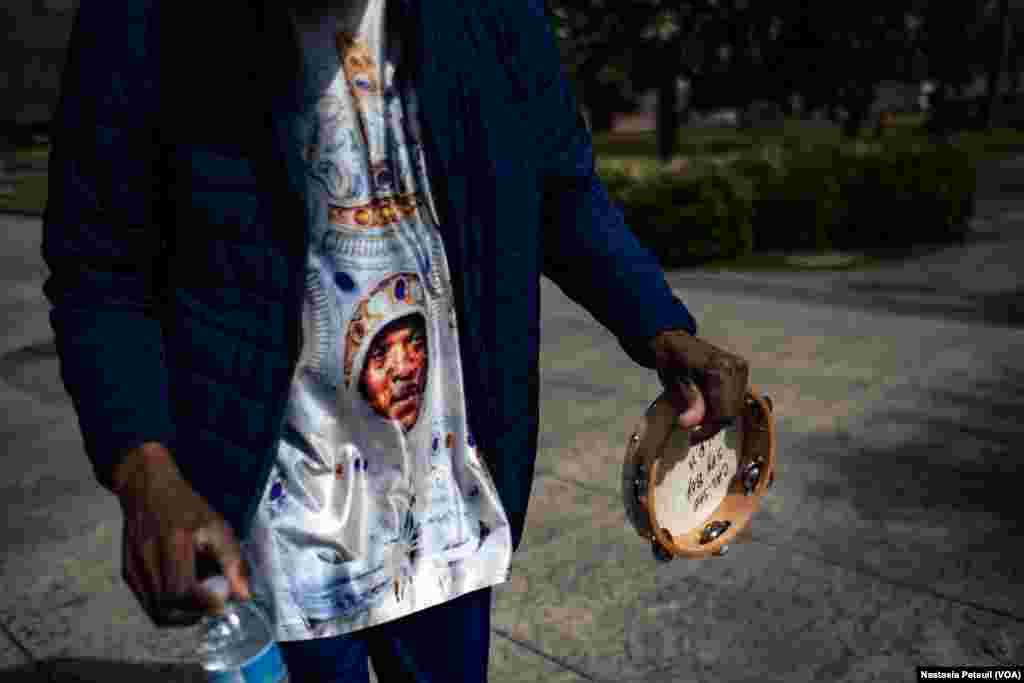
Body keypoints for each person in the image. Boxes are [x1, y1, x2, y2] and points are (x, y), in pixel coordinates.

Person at [41, 0, 749, 681]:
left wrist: (659, 324)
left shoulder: (494, 13)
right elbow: (100, 268)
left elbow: (559, 188)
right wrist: (146, 469)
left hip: (447, 497)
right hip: (275, 510)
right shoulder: (144, 18)